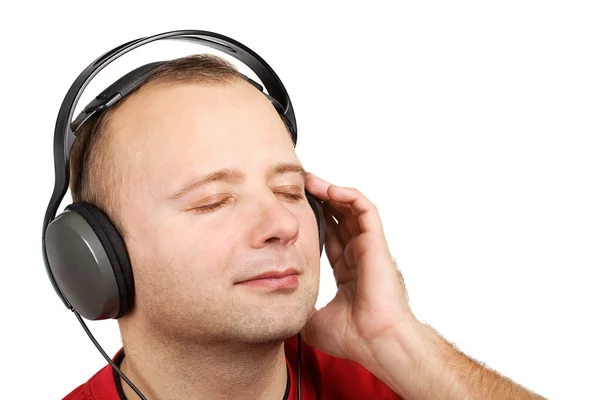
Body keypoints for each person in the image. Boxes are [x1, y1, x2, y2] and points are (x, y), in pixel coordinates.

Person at [62, 54, 545, 400]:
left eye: (291, 192)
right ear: (98, 260)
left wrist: (396, 339)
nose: (281, 224)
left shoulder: (410, 384)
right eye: (213, 201)